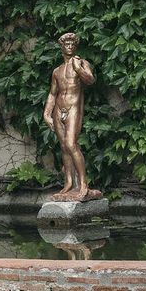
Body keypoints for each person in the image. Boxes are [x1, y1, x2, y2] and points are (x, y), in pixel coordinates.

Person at [43, 32, 102, 202]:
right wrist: (47, 113)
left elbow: (90, 80)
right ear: (61, 46)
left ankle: (83, 184)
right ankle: (69, 183)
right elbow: (53, 94)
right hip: (58, 109)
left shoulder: (82, 63)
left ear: (76, 45)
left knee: (71, 144)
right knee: (63, 147)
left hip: (73, 108)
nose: (69, 45)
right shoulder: (57, 71)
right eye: (66, 43)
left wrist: (78, 69)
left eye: (72, 42)